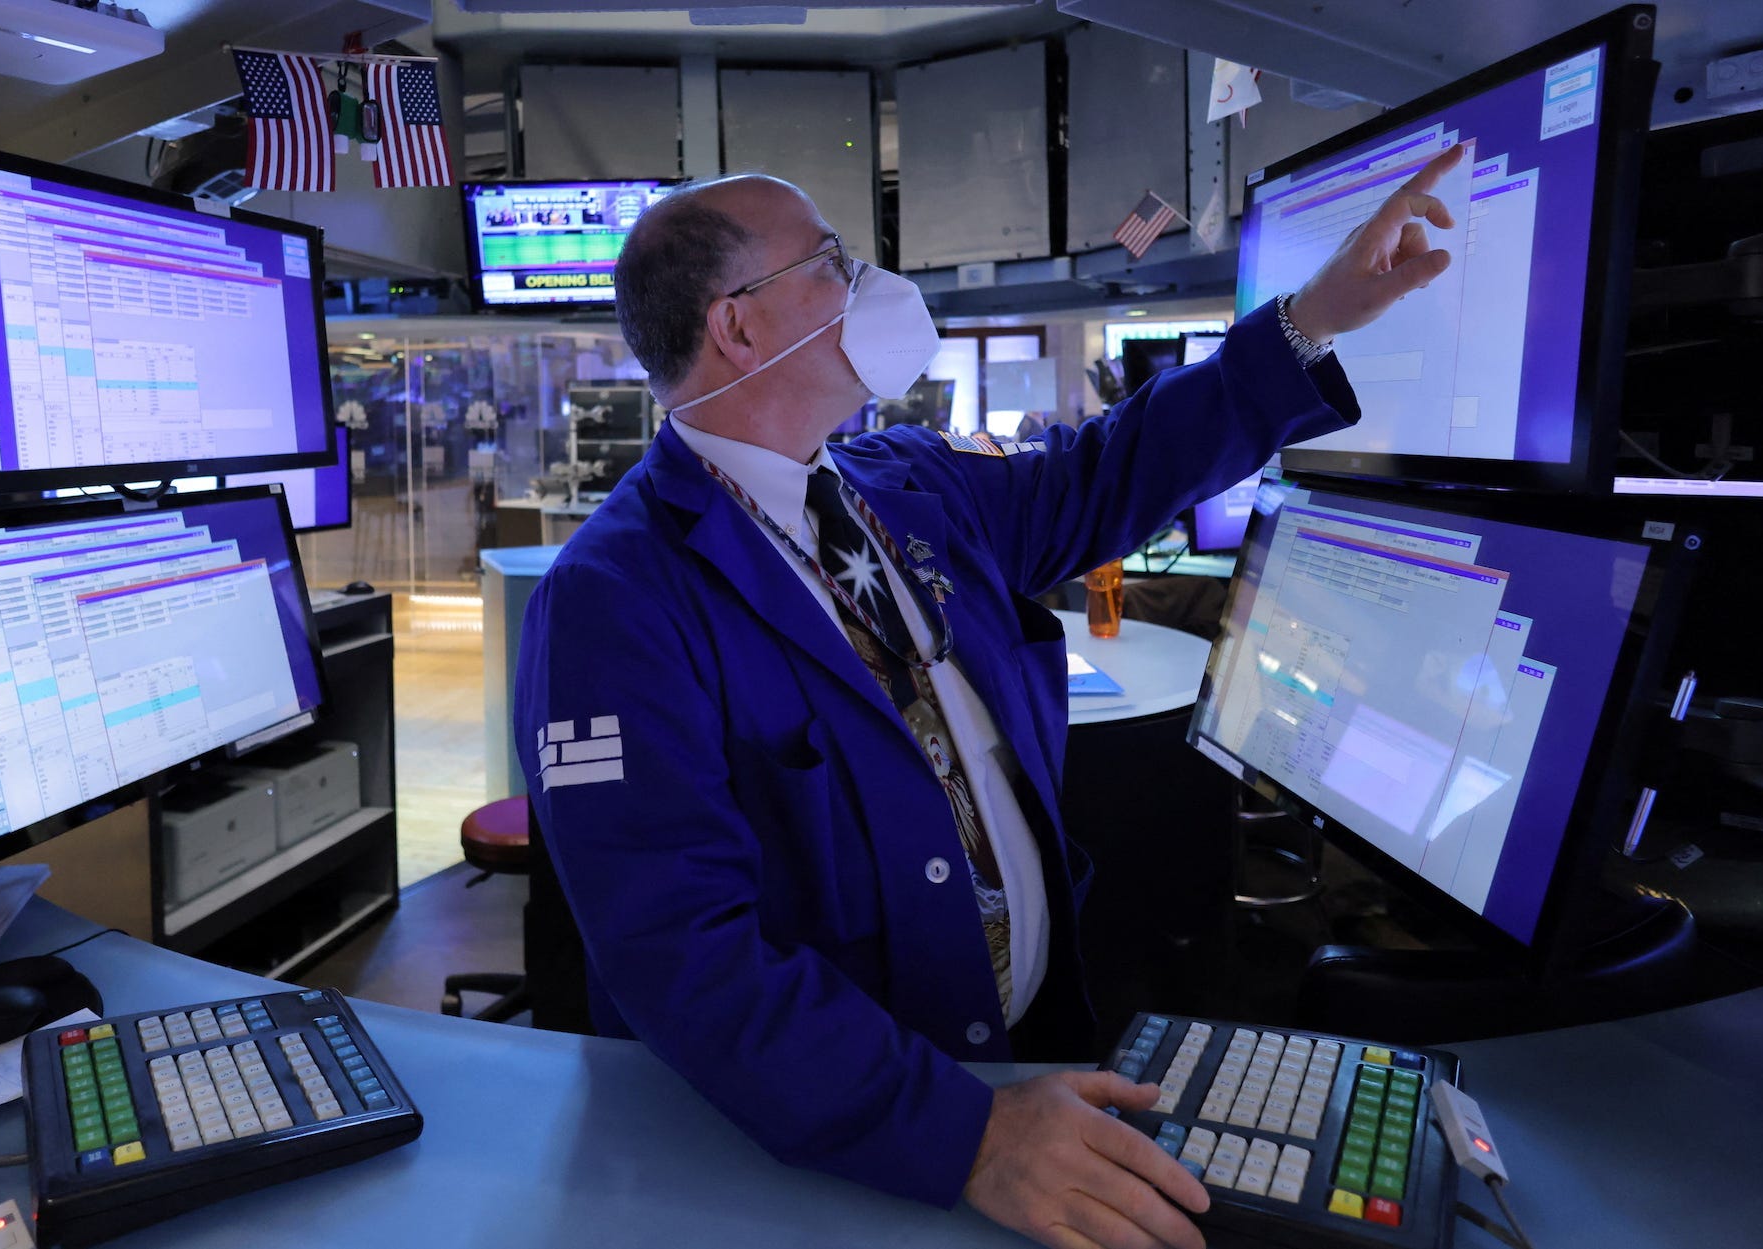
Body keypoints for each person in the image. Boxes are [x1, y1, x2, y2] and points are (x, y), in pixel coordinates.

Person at [515, 155, 1463, 1249]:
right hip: (867, 1138)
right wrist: (960, 1133)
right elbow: (680, 955)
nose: (869, 281)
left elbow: (1112, 468)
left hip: (1030, 1065)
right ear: (735, 326)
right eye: (831, 262)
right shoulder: (614, 597)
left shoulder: (905, 480)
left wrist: (1305, 322)